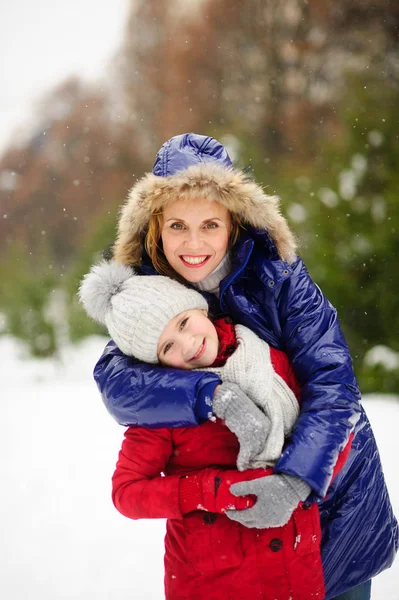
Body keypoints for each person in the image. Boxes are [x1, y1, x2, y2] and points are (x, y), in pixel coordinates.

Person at [93, 133, 398, 599]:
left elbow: (334, 386)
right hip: (231, 545)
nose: (193, 243)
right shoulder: (144, 293)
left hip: (333, 497)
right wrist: (212, 395)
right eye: (177, 226)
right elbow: (117, 382)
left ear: (234, 222)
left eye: (209, 224)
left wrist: (298, 480)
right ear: (155, 226)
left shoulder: (280, 278)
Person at [79, 259, 329, 599]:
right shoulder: (163, 409)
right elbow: (127, 493)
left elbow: (328, 427)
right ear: (155, 362)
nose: (187, 344)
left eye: (183, 322)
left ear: (199, 308)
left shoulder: (270, 360)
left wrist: (297, 482)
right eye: (166, 347)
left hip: (295, 570)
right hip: (212, 581)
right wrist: (211, 491)